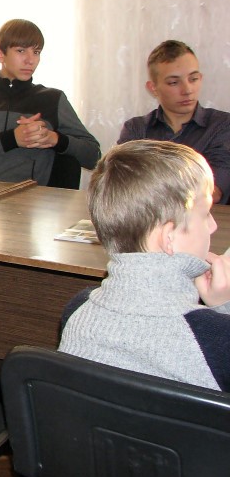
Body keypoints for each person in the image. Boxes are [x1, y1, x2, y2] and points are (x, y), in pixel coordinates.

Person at [58, 140, 230, 391]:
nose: (213, 226)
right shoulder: (215, 337)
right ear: (168, 237)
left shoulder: (76, 309)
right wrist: (223, 308)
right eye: (205, 215)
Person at [0, 19, 100, 184]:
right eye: (21, 51)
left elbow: (94, 157)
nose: (30, 60)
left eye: (36, 52)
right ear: (0, 54)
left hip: (24, 196)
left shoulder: (53, 99)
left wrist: (55, 139)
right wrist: (12, 139)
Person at [118, 40, 230, 204]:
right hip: (148, 220)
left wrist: (148, 185)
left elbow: (211, 192)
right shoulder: (136, 129)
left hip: (207, 219)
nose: (187, 90)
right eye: (174, 82)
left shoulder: (222, 125)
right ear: (153, 88)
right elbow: (121, 187)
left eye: (193, 79)